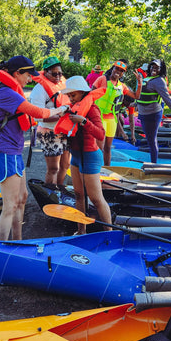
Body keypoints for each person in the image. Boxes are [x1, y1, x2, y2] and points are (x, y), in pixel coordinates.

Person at [0, 55, 64, 240]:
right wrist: (60, 109)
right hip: (5, 153)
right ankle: (3, 248)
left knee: (22, 198)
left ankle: (17, 241)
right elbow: (38, 112)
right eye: (27, 75)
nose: (30, 78)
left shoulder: (11, 91)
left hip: (14, 152)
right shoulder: (5, 93)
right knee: (10, 205)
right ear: (17, 73)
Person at [60, 75, 112, 235]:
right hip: (76, 156)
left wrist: (83, 121)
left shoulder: (92, 108)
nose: (71, 98)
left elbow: (101, 134)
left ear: (83, 93)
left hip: (90, 157)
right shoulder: (72, 108)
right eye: (69, 96)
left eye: (73, 95)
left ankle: (109, 234)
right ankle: (81, 230)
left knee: (96, 199)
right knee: (78, 194)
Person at [136, 58, 171, 163]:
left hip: (153, 114)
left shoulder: (159, 81)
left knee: (152, 140)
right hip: (143, 113)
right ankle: (153, 163)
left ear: (161, 69)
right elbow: (140, 96)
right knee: (149, 139)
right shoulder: (147, 78)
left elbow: (167, 99)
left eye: (157, 67)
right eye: (152, 66)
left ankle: (153, 164)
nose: (154, 68)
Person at [29, 56, 71, 188]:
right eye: (54, 74)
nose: (58, 76)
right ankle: (50, 196)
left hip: (65, 130)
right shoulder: (39, 90)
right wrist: (61, 116)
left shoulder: (61, 86)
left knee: (65, 165)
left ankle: (59, 191)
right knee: (53, 169)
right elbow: (38, 116)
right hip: (49, 132)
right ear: (45, 72)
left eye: (60, 73)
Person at [92, 60, 143, 165]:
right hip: (99, 117)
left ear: (123, 74)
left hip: (112, 120)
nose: (118, 72)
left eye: (121, 71)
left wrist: (139, 83)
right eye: (116, 69)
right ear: (112, 68)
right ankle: (96, 170)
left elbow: (136, 96)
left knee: (108, 148)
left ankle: (107, 169)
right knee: (98, 148)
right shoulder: (102, 79)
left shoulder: (122, 86)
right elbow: (90, 95)